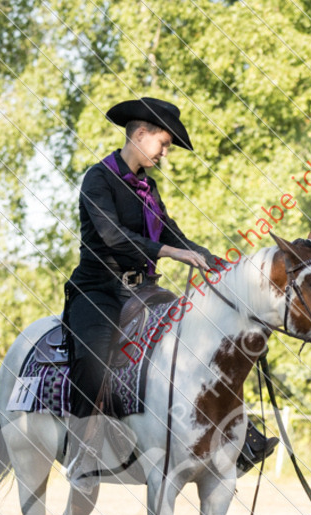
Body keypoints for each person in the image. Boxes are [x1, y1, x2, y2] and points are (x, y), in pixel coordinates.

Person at [63, 96, 277, 486]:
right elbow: (112, 235)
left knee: (203, 338)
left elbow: (172, 233)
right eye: (163, 143)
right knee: (93, 361)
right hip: (98, 290)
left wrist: (220, 265)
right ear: (140, 135)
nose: (165, 153)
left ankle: (237, 435)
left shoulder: (148, 187)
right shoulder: (98, 178)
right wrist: (170, 253)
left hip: (145, 289)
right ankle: (82, 448)